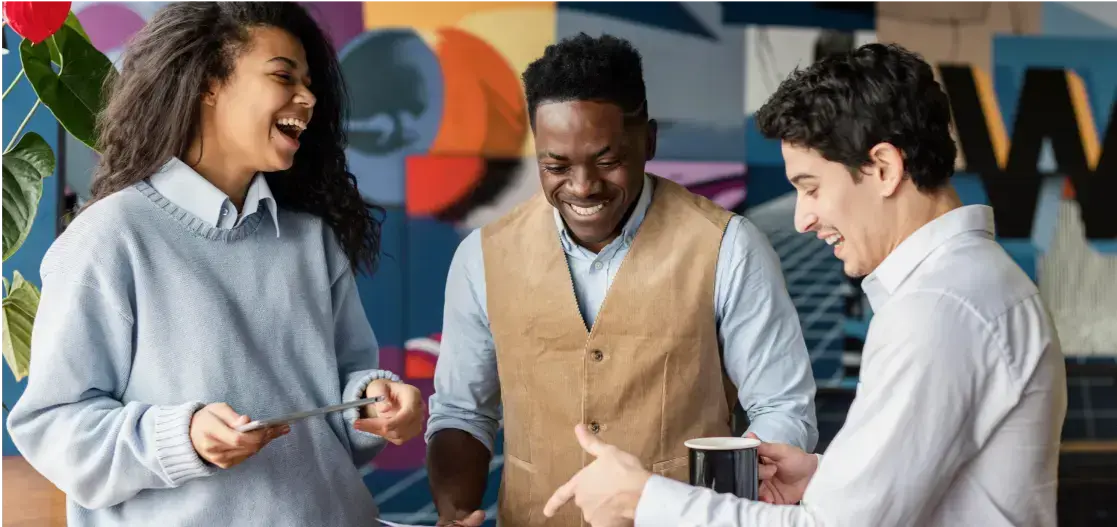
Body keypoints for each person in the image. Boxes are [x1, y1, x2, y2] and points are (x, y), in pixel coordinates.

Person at [541, 42, 1068, 526]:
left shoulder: (938, 310)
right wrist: (825, 476)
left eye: (810, 187)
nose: (802, 219)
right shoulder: (968, 284)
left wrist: (644, 500)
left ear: (883, 168)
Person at [6, 1, 425, 525]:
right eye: (282, 76)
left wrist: (369, 402)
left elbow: (339, 392)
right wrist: (182, 438)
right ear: (208, 83)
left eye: (311, 83)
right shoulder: (110, 237)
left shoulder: (310, 241)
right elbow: (53, 426)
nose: (309, 98)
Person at [425, 33, 819, 527]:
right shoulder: (480, 257)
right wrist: (455, 511)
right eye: (556, 165)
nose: (583, 186)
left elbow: (781, 405)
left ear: (649, 141)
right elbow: (462, 412)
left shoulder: (730, 247)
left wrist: (727, 497)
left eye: (607, 161)